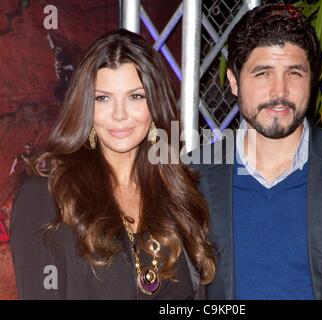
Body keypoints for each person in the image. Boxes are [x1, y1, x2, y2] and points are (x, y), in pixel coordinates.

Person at [190, 4, 322, 299]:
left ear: (312, 79)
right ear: (233, 82)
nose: (279, 91)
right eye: (262, 73)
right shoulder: (193, 175)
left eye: (294, 73)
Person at [10, 29, 215, 299]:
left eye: (136, 96)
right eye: (103, 98)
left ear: (155, 104)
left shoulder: (178, 194)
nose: (119, 114)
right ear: (85, 106)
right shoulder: (47, 197)